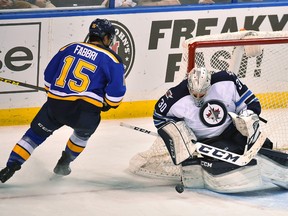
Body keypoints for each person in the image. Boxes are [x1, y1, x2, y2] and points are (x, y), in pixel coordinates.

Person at [0, 18, 126, 183]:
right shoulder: (113, 59)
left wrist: (56, 96)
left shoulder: (70, 47)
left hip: (56, 106)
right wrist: (106, 104)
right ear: (106, 37)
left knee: (34, 136)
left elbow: (48, 77)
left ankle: (10, 167)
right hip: (85, 112)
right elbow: (115, 96)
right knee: (81, 135)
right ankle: (63, 164)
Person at [152, 67, 288, 192]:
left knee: (265, 147)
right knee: (233, 152)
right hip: (209, 141)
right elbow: (159, 116)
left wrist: (248, 114)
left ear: (209, 84)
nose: (198, 96)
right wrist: (177, 132)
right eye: (194, 93)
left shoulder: (227, 80)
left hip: (234, 130)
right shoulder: (174, 97)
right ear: (188, 85)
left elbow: (251, 102)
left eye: (203, 92)